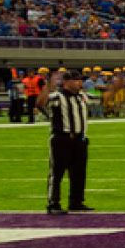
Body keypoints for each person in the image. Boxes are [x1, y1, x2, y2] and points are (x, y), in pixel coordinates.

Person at [43, 69, 92, 215]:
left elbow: (103, 98)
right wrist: (49, 86)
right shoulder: (57, 96)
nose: (79, 82)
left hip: (80, 139)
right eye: (76, 80)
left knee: (79, 173)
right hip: (62, 138)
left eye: (80, 80)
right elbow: (41, 103)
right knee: (57, 173)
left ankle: (76, 202)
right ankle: (53, 203)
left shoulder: (83, 97)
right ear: (66, 82)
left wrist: (115, 88)